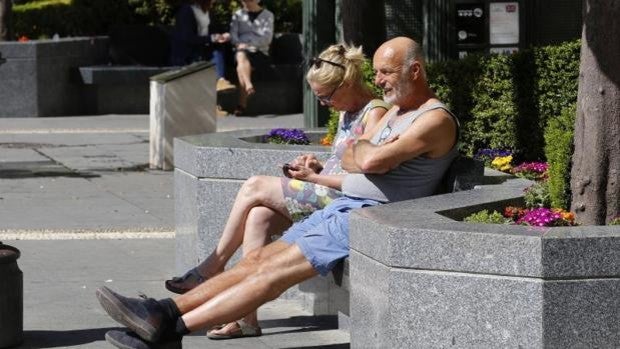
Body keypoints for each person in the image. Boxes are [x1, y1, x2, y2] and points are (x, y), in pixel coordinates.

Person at [96, 36, 460, 349]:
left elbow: (370, 161)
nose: (378, 80)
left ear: (415, 71)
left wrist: (366, 155)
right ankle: (166, 312)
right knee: (257, 262)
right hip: (347, 206)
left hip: (371, 215)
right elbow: (355, 155)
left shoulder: (434, 119)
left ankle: (170, 328)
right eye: (377, 71)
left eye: (386, 72)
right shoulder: (395, 112)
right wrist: (363, 154)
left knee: (272, 274)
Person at [165, 43, 389, 339]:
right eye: (318, 97)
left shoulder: (374, 113)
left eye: (325, 97)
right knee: (257, 215)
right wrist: (317, 166)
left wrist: (314, 178)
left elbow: (363, 175)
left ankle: (210, 268)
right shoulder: (348, 110)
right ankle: (246, 320)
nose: (323, 104)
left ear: (347, 83)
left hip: (345, 201)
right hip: (326, 188)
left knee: (255, 185)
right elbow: (344, 162)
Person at [215, 0, 274, 115]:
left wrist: (249, 45)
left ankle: (243, 100)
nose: (246, 2)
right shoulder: (238, 15)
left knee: (240, 66)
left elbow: (267, 38)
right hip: (240, 50)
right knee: (241, 54)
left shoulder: (268, 15)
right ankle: (247, 88)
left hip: (260, 52)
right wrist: (239, 44)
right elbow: (233, 35)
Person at [169, 0, 231, 89]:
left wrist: (224, 35)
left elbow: (216, 30)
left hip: (202, 48)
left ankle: (220, 80)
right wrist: (212, 38)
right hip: (187, 53)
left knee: (218, 47)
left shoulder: (208, 11)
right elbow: (188, 38)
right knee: (214, 48)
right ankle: (219, 80)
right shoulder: (187, 11)